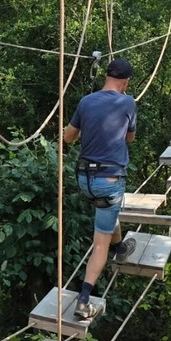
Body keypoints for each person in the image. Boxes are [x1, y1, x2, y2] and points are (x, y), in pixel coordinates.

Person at [62, 58, 138, 319]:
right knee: (99, 244)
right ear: (125, 82)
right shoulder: (128, 103)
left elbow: (68, 137)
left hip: (85, 181)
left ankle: (120, 248)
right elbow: (130, 137)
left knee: (108, 211)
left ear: (106, 76)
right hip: (110, 181)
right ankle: (84, 300)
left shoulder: (86, 102)